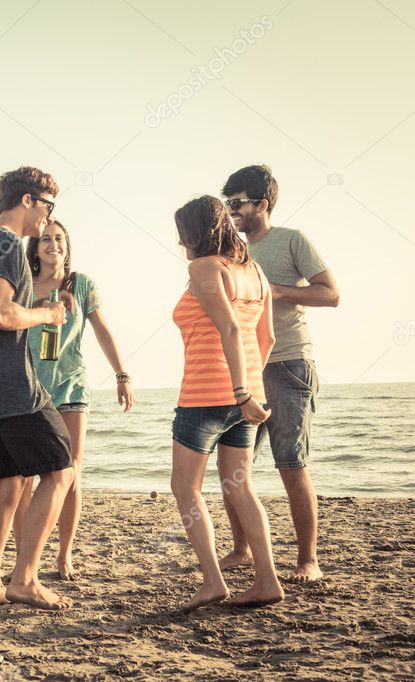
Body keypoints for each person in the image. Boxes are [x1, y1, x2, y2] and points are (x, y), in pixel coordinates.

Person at [0, 166, 74, 610]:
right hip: (8, 386)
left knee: (9, 482)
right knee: (61, 470)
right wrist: (46, 315)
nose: (48, 217)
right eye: (47, 206)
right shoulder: (6, 244)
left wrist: (34, 306)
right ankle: (24, 578)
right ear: (27, 201)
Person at [221, 165, 339, 583]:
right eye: (227, 204)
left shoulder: (292, 241)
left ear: (261, 204)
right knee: (233, 466)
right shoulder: (232, 252)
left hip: (289, 364)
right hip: (247, 369)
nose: (231, 211)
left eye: (237, 203)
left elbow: (331, 293)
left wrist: (276, 291)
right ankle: (241, 550)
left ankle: (308, 560)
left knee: (291, 463)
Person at [169, 195, 283, 612]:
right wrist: (250, 386)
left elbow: (231, 328)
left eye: (183, 233)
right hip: (246, 396)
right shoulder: (255, 271)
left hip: (207, 394)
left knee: (185, 487)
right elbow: (265, 338)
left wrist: (238, 390)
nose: (180, 242)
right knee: (241, 488)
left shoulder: (203, 268)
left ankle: (213, 582)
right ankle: (267, 580)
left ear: (196, 231)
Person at [11, 218, 135, 580]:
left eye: (60, 238)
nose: (53, 244)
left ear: (68, 245)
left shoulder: (82, 285)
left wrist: (122, 374)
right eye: (45, 239)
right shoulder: (24, 285)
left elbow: (103, 331)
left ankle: (64, 555)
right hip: (31, 389)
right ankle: (24, 558)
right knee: (25, 478)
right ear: (34, 247)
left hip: (71, 387)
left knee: (71, 474)